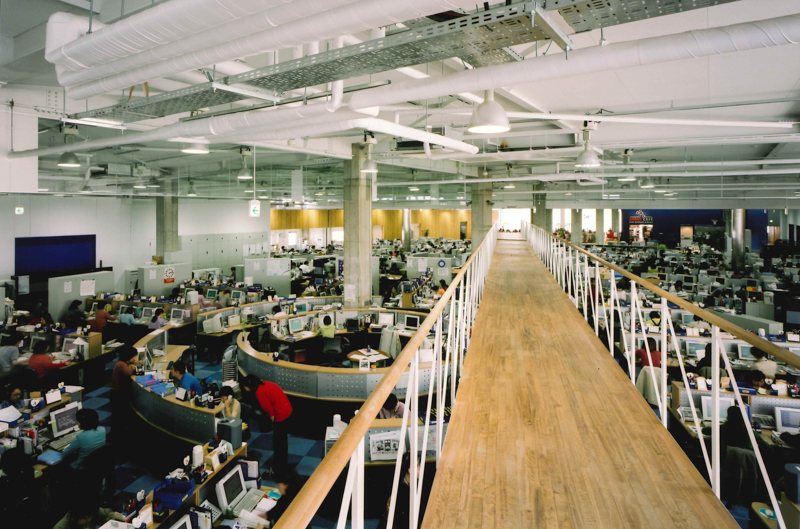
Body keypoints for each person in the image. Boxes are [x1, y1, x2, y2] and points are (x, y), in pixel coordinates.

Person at [242, 374, 292, 477]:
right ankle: (283, 464)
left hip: (281, 415)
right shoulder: (266, 383)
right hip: (288, 410)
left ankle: (278, 469)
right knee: (283, 441)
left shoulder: (259, 393)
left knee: (278, 444)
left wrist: (274, 423)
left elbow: (269, 410)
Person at [110, 347, 139, 445]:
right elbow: (129, 372)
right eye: (132, 357)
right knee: (118, 416)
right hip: (118, 394)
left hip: (118, 393)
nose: (134, 359)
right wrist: (136, 367)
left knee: (118, 416)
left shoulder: (122, 363)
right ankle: (116, 437)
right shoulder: (121, 365)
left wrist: (134, 363)